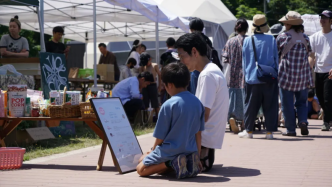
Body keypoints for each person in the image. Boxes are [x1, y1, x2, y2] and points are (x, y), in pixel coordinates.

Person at [136, 63, 204, 179]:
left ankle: (172, 163)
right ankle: (184, 162)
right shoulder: (198, 103)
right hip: (189, 151)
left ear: (170, 85)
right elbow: (198, 134)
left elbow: (160, 137)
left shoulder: (168, 105)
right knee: (153, 165)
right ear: (187, 82)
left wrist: (152, 152)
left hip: (171, 150)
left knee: (141, 168)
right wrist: (197, 156)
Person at [176, 33, 229, 172]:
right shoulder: (212, 70)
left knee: (146, 163)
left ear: (194, 52)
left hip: (202, 143)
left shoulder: (207, 75)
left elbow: (202, 116)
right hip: (207, 142)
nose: (181, 61)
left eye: (182, 56)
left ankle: (197, 159)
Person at [239, 14, 279, 139]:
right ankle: (269, 132)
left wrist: (246, 75)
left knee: (251, 106)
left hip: (252, 78)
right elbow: (276, 59)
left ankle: (249, 131)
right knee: (270, 105)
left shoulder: (247, 40)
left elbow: (244, 61)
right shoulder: (271, 39)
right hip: (269, 78)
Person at [277, 11, 313, 136]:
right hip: (302, 75)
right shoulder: (306, 38)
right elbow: (309, 53)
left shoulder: (282, 37)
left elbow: (276, 54)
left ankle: (291, 130)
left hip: (286, 76)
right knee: (302, 102)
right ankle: (303, 122)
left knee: (287, 104)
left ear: (288, 24)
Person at [222, 18, 249, 134]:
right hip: (246, 74)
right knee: (245, 96)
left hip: (232, 74)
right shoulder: (249, 41)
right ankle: (244, 121)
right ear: (246, 28)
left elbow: (225, 58)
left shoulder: (230, 41)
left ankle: (231, 116)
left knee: (232, 96)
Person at [309, 10, 332, 131]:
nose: (322, 20)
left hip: (330, 71)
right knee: (321, 98)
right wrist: (308, 68)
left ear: (331, 21)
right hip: (318, 71)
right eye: (321, 17)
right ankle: (329, 118)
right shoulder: (314, 37)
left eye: (325, 18)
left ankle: (326, 122)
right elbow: (312, 56)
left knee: (328, 98)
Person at [139, 52, 161, 120]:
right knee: (145, 102)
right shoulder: (143, 66)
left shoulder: (154, 65)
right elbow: (140, 76)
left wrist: (160, 85)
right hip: (145, 86)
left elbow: (160, 75)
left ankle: (158, 118)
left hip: (153, 85)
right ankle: (145, 119)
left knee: (155, 103)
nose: (146, 64)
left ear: (150, 59)